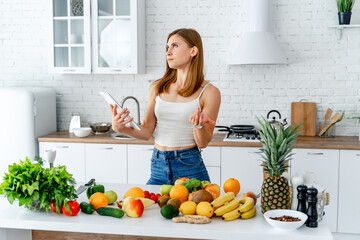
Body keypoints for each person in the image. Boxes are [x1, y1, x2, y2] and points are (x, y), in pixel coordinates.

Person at [110, 28, 221, 185]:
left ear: (193, 51)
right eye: (167, 47)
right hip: (158, 165)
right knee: (148, 208)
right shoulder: (157, 87)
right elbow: (147, 130)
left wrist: (198, 126)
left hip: (189, 167)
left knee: (193, 210)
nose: (168, 52)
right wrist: (121, 129)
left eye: (175, 46)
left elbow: (203, 143)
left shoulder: (209, 92)